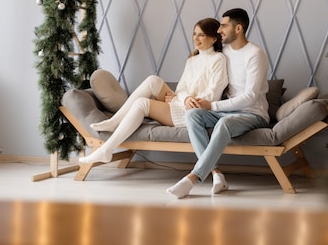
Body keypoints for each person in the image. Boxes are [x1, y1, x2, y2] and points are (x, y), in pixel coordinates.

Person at [79, 18, 228, 165]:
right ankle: (114, 122)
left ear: (214, 38)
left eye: (201, 35)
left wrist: (184, 100)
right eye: (194, 33)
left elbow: (213, 94)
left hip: (195, 112)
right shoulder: (192, 60)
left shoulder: (218, 59)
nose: (196, 38)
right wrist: (182, 99)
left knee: (142, 104)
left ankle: (107, 149)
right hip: (182, 104)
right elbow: (181, 89)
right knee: (153, 80)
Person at [166, 8, 269, 198]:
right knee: (192, 115)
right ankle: (217, 173)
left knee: (224, 123)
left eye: (223, 25)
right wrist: (182, 97)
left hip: (252, 114)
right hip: (228, 112)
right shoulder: (225, 53)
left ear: (238, 28)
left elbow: (251, 96)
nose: (219, 30)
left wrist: (212, 106)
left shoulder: (255, 54)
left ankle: (193, 178)